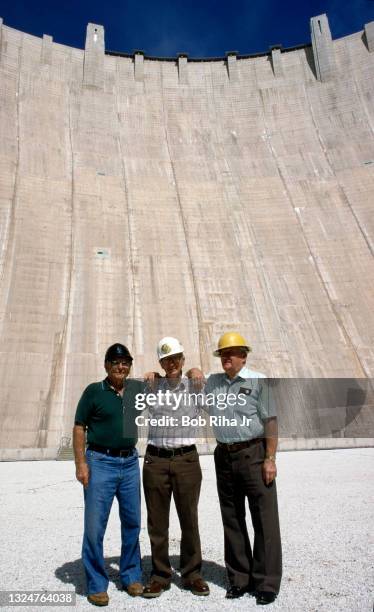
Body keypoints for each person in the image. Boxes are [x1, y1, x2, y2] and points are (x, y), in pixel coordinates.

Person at [190, 331, 282, 605]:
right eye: (222, 354)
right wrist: (194, 370)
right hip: (224, 456)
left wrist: (270, 459)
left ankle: (266, 583)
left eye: (231, 354)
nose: (226, 358)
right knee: (232, 519)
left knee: (264, 520)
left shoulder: (258, 381)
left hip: (253, 453)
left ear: (244, 356)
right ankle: (240, 580)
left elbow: (271, 422)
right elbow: (195, 384)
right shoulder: (215, 382)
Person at [73, 343, 143, 607]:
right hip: (100, 462)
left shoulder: (136, 390)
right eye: (115, 363)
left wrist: (192, 370)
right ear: (106, 365)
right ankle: (96, 583)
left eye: (125, 362)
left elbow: (165, 384)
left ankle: (131, 575)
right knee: (94, 526)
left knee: (133, 522)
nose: (120, 367)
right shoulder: (94, 391)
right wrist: (80, 463)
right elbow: (79, 427)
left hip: (130, 463)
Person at [141, 337, 209, 598]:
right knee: (157, 522)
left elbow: (217, 403)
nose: (171, 364)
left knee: (189, 519)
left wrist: (199, 371)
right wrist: (146, 374)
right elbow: (126, 390)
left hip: (186, 460)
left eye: (176, 359)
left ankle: (192, 574)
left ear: (183, 360)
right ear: (160, 362)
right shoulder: (151, 387)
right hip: (155, 460)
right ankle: (160, 575)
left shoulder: (195, 385)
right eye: (166, 360)